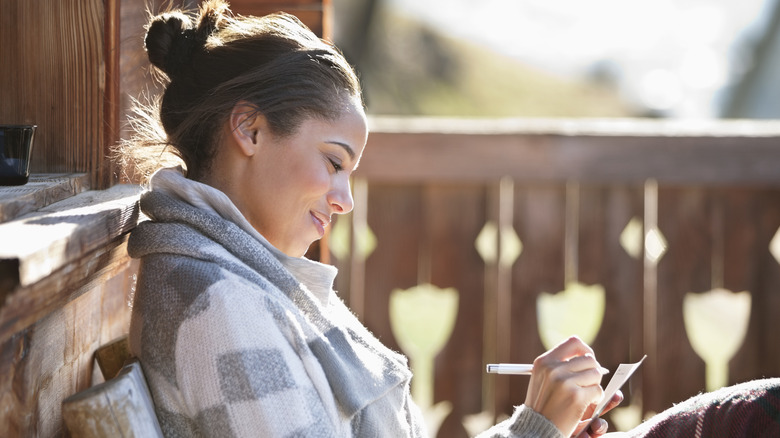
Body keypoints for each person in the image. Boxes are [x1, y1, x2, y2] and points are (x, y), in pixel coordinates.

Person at [121, 2, 780, 437]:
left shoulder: (247, 280)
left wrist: (542, 425)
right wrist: (535, 430)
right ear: (249, 128)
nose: (344, 199)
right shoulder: (216, 305)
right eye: (333, 161)